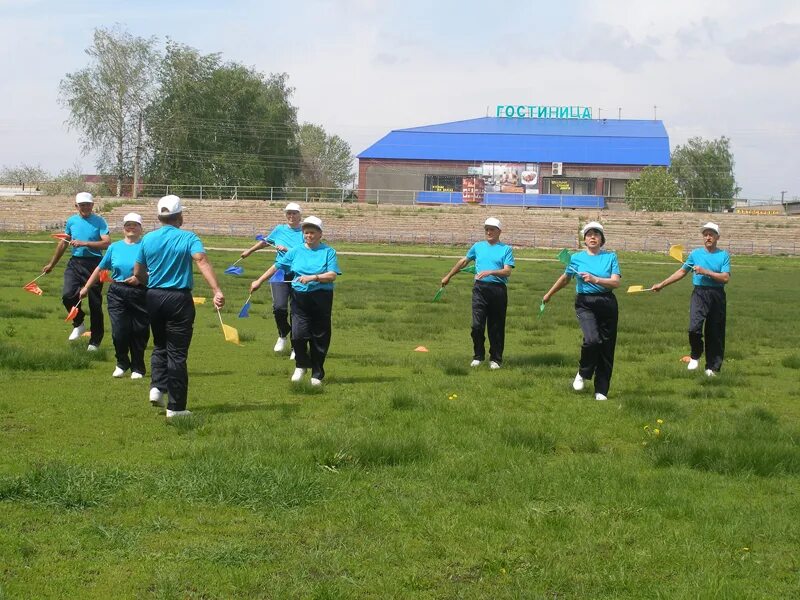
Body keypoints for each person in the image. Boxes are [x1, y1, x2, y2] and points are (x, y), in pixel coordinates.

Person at [134, 195, 225, 418]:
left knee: (159, 344)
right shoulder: (189, 237)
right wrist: (216, 290)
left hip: (153, 296)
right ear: (180, 216)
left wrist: (151, 284)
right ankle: (176, 407)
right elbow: (201, 260)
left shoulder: (147, 239)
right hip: (178, 298)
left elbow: (138, 272)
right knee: (177, 353)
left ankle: (157, 387)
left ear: (159, 217)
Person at [249, 216, 340, 386]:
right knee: (298, 335)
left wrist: (314, 277)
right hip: (300, 297)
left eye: (312, 232)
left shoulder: (329, 252)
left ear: (320, 234)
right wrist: (259, 281)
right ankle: (301, 365)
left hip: (321, 297)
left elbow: (332, 275)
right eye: (306, 232)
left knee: (319, 335)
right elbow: (277, 266)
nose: (309, 236)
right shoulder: (295, 251)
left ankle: (317, 374)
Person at [542, 221, 621, 400]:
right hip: (585, 303)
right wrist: (549, 294)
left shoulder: (611, 257)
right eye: (589, 234)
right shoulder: (576, 258)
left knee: (607, 346)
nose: (592, 237)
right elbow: (565, 278)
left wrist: (596, 279)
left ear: (602, 239)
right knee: (592, 340)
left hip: (607, 302)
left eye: (596, 234)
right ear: (584, 239)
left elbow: (616, 282)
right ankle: (583, 372)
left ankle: (601, 390)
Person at [652, 222, 731, 376]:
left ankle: (712, 368)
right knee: (694, 328)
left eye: (711, 234)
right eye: (705, 235)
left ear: (717, 237)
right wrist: (662, 284)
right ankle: (695, 355)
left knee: (715, 332)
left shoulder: (724, 255)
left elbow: (725, 278)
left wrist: (706, 272)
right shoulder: (695, 254)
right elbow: (682, 272)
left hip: (717, 295)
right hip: (699, 294)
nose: (708, 237)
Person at [78, 213, 149, 379]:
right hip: (118, 292)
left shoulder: (146, 247)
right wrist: (86, 287)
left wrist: (140, 278)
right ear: (123, 228)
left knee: (139, 331)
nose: (131, 228)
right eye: (128, 225)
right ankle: (122, 363)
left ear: (141, 228)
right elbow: (100, 268)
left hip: (141, 291)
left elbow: (155, 269)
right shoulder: (114, 247)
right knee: (119, 331)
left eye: (135, 225)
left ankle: (138, 367)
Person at [441, 217, 515, 369]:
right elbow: (464, 261)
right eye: (486, 229)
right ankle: (478, 356)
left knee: (496, 326)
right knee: (477, 326)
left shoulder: (506, 249)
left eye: (492, 229)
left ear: (499, 231)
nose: (489, 232)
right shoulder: (478, 246)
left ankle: (495, 359)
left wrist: (491, 272)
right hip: (480, 289)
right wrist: (448, 276)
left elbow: (507, 271)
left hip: (498, 290)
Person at [42, 192, 110, 350]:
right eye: (82, 205)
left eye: (88, 205)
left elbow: (107, 243)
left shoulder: (100, 221)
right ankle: (78, 322)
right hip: (75, 263)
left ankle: (95, 340)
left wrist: (85, 243)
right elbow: (63, 243)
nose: (85, 207)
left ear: (92, 205)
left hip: (95, 264)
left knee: (95, 304)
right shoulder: (72, 221)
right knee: (67, 296)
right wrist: (51, 264)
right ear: (76, 206)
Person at [241, 202, 304, 355]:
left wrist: (288, 249)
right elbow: (266, 242)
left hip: (298, 274)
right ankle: (283, 334)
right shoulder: (279, 230)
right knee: (279, 307)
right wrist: (250, 251)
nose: (291, 216)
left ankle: (296, 346)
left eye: (294, 213)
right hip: (279, 272)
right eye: (289, 213)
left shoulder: (305, 232)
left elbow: (306, 252)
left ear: (300, 215)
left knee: (296, 311)